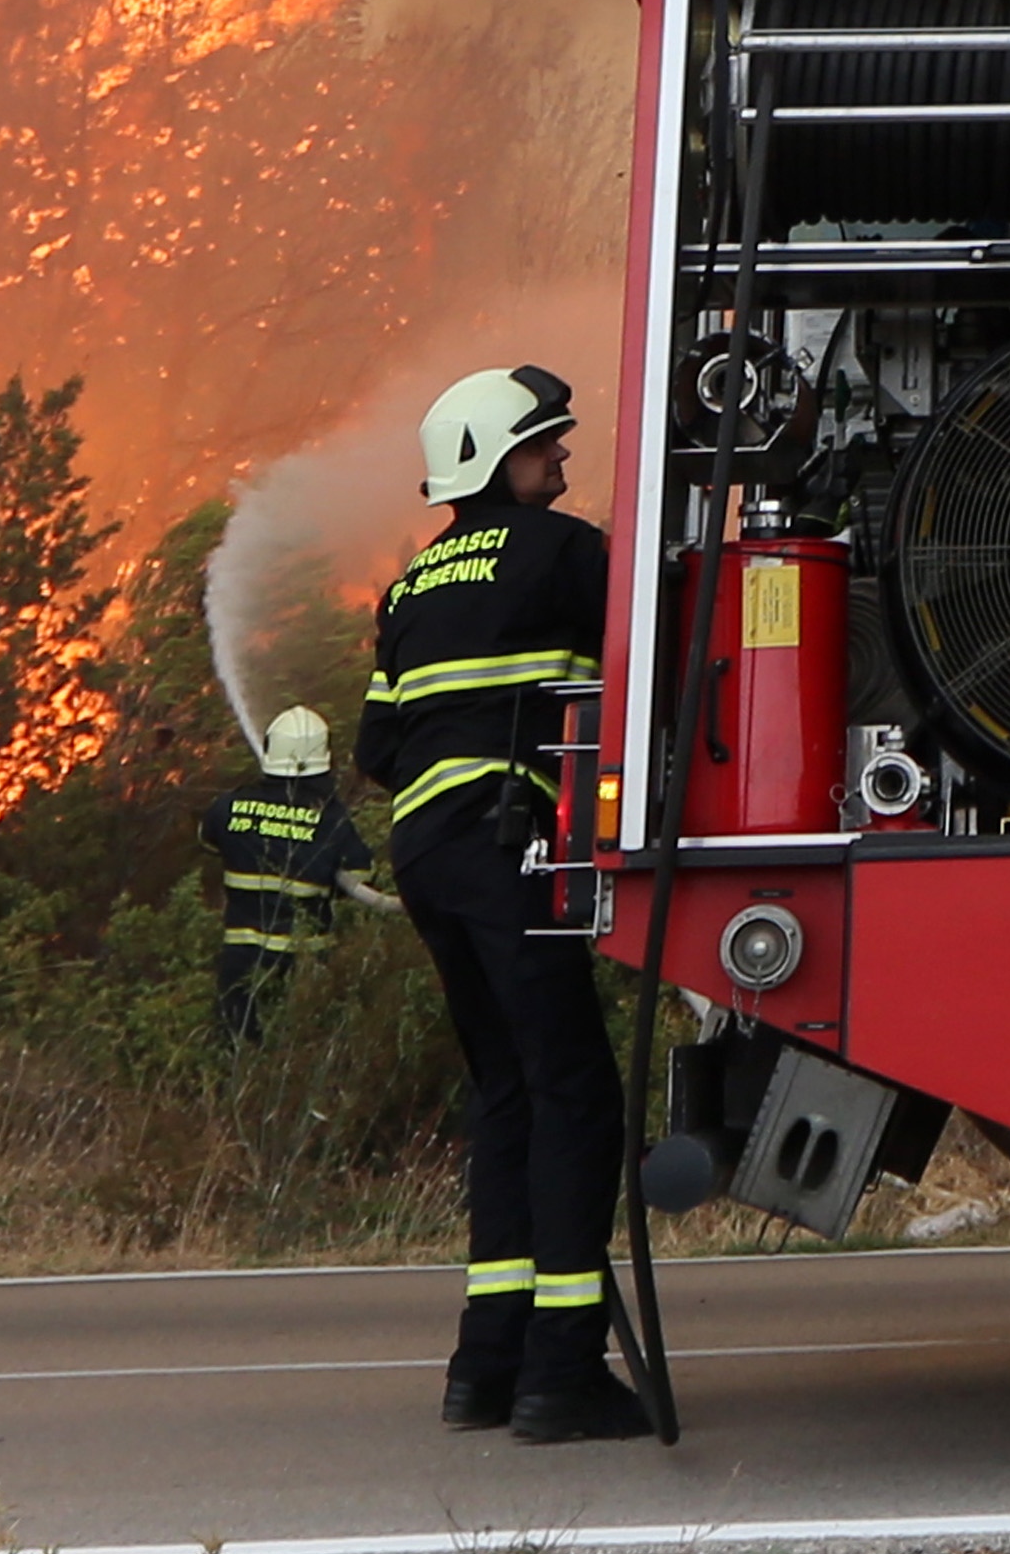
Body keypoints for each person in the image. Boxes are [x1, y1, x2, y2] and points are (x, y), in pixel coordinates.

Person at [356, 364, 648, 1445]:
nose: (562, 464)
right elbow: (654, 648)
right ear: (491, 458)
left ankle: (484, 1368)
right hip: (506, 843)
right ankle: (562, 1375)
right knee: (575, 1093)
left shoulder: (410, 584)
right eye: (546, 448)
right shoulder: (562, 551)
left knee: (509, 1093)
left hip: (428, 856)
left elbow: (377, 745)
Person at [195, 706, 387, 1047]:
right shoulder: (331, 821)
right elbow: (360, 873)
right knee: (299, 1050)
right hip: (304, 964)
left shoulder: (229, 807)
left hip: (241, 961)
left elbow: (208, 839)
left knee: (236, 1050)